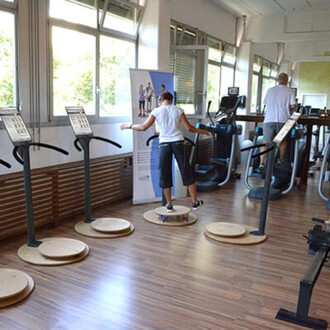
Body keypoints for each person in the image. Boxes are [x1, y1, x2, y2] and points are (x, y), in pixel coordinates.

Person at [121, 91, 210, 212]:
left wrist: (129, 125)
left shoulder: (156, 111)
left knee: (165, 173)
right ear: (172, 99)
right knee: (186, 170)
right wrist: (203, 132)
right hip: (178, 143)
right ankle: (195, 202)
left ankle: (169, 205)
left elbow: (143, 127)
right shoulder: (179, 110)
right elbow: (189, 128)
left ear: (160, 100)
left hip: (164, 145)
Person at [256, 72, 296, 174]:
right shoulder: (290, 91)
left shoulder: (270, 90)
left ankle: (262, 163)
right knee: (282, 141)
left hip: (269, 120)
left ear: (278, 80)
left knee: (266, 142)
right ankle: (281, 160)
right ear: (287, 81)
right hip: (283, 120)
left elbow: (266, 103)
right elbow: (293, 106)